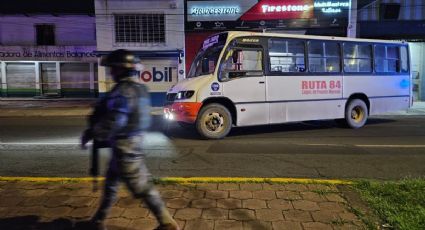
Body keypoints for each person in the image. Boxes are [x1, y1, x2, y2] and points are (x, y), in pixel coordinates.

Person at [81, 49, 180, 230]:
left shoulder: (123, 91)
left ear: (121, 69)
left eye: (113, 68)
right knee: (110, 184)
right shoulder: (139, 88)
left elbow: (115, 120)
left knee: (142, 188)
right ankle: (98, 221)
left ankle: (167, 223)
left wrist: (94, 132)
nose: (111, 72)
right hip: (130, 143)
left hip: (125, 147)